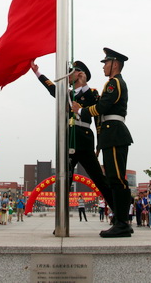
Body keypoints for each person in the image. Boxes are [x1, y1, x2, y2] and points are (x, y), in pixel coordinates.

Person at [31, 61, 114, 213]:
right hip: (69, 139)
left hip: (84, 139)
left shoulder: (92, 92)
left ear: (80, 74)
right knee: (64, 179)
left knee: (99, 179)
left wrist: (99, 145)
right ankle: (62, 215)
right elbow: (51, 88)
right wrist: (37, 73)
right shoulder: (67, 94)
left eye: (72, 72)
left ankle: (118, 213)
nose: (68, 75)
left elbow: (95, 108)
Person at [72, 48, 133, 238]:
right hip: (110, 134)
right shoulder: (112, 83)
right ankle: (121, 221)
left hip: (114, 133)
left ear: (115, 64)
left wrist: (80, 111)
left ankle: (122, 223)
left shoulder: (115, 83)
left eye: (106, 63)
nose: (104, 66)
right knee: (114, 179)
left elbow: (102, 106)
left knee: (117, 180)